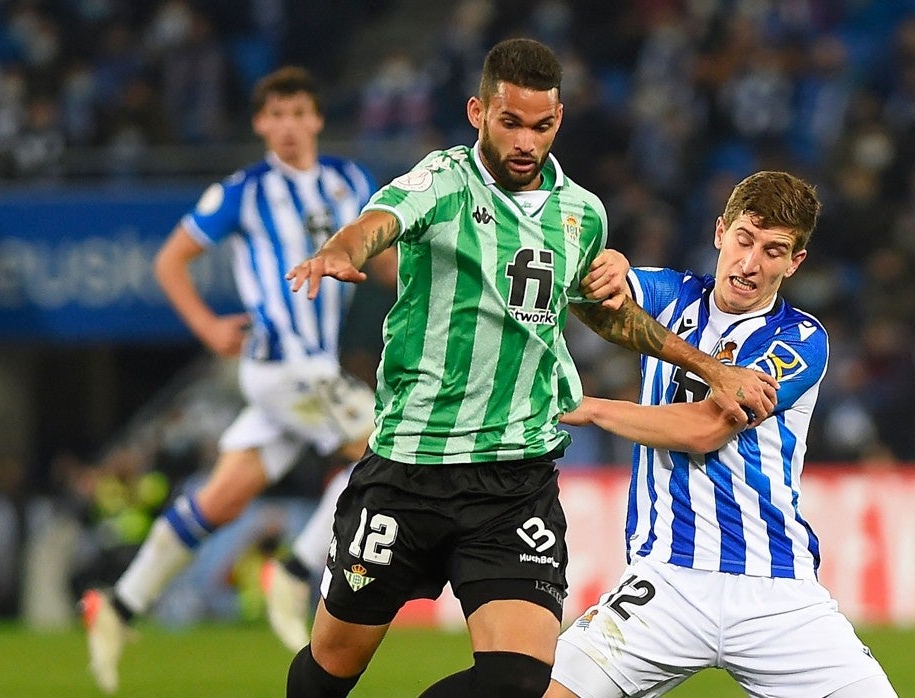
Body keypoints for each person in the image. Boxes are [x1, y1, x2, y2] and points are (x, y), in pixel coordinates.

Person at [282, 38, 778, 698]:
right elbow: (378, 221)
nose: (525, 141)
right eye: (509, 122)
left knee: (519, 682)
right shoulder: (444, 179)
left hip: (514, 480)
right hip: (408, 469)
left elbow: (606, 316)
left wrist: (711, 369)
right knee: (332, 665)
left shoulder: (581, 213)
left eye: (540, 126)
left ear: (559, 121)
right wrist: (341, 249)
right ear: (477, 112)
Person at [82, 66, 387, 694]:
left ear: (317, 119)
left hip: (314, 369)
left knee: (222, 499)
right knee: (387, 452)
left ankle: (119, 604)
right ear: (259, 124)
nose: (289, 127)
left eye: (299, 113)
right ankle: (299, 570)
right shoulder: (242, 192)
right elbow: (171, 259)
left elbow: (384, 258)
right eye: (276, 115)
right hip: (281, 364)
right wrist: (206, 326)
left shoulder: (350, 181)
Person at [548, 171, 898, 698]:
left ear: (794, 263)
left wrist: (594, 409)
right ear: (720, 232)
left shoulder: (800, 339)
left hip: (776, 593)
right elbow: (592, 292)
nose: (750, 263)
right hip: (666, 582)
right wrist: (609, 264)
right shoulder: (673, 296)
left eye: (774, 250)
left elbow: (707, 429)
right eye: (744, 239)